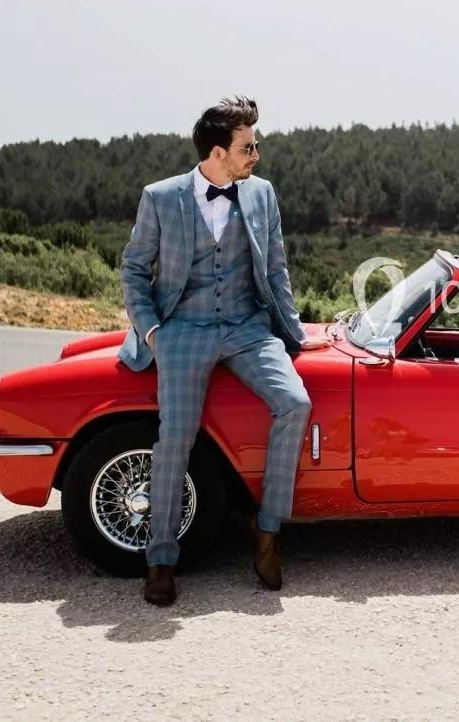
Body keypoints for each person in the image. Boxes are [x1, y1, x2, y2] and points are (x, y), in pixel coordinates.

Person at [118, 96, 326, 607]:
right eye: (247, 146)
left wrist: (294, 334)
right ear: (217, 152)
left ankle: (268, 531)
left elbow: (276, 271)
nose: (256, 153)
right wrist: (153, 334)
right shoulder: (160, 198)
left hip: (246, 326)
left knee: (294, 404)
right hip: (182, 330)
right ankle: (162, 559)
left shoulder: (262, 194)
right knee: (176, 438)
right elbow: (133, 271)